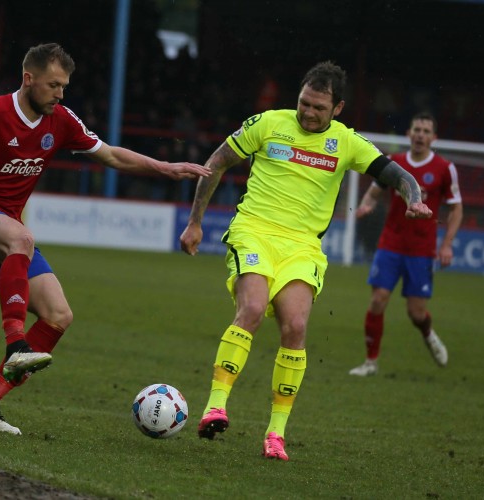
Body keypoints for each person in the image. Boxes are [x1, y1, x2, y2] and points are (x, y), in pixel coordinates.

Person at [0, 42, 209, 436]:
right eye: (53, 85)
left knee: (59, 315)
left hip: (7, 231)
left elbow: (110, 155)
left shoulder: (60, 119)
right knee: (22, 238)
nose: (60, 93)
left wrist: (164, 166)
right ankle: (15, 346)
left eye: (64, 86)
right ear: (29, 79)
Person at [179, 61, 432, 461]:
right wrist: (195, 222)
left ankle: (275, 434)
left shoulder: (347, 143)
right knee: (253, 307)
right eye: (304, 103)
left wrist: (413, 196)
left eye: (318, 107)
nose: (308, 113)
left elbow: (396, 173)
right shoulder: (268, 123)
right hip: (254, 230)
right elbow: (217, 162)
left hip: (302, 247)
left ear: (338, 108)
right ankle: (215, 405)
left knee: (295, 327)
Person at [349, 113, 463, 377]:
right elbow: (375, 190)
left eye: (426, 131)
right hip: (391, 242)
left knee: (416, 312)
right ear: (409, 134)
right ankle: (370, 362)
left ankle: (428, 333)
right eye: (417, 130)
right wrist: (367, 204)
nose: (421, 135)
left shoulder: (445, 169)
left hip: (422, 250)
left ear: (434, 138)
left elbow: (456, 210)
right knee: (378, 300)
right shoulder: (395, 163)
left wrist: (447, 245)